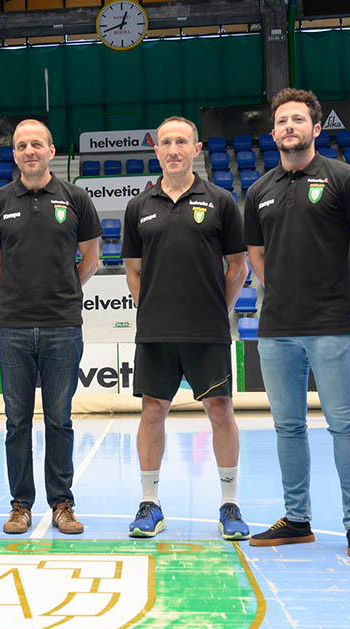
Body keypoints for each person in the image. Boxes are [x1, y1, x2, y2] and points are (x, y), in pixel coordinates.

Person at [243, 88, 350, 558]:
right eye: (282, 121)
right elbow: (256, 255)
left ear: (316, 128)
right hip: (277, 327)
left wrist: (349, 297)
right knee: (288, 427)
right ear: (273, 132)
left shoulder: (345, 179)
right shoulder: (259, 191)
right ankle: (297, 518)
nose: (289, 128)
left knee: (344, 424)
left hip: (330, 324)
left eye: (298, 120)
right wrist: (279, 291)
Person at [120, 116, 250, 540]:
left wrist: (216, 310)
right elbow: (133, 271)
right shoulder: (138, 207)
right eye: (165, 142)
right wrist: (153, 308)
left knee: (220, 412)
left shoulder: (221, 201)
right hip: (156, 332)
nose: (173, 149)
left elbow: (238, 267)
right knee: (152, 411)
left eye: (181, 142)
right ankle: (150, 503)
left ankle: (229, 505)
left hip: (206, 331)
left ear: (196, 149)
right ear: (155, 150)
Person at [0, 119, 101, 535]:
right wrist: (17, 293)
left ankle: (62, 504)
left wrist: (63, 290)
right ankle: (20, 505)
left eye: (37, 144)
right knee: (16, 422)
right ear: (14, 154)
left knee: (60, 419)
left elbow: (91, 257)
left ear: (51, 151)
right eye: (21, 145)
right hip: (12, 327)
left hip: (63, 326)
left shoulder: (76, 198)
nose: (29, 151)